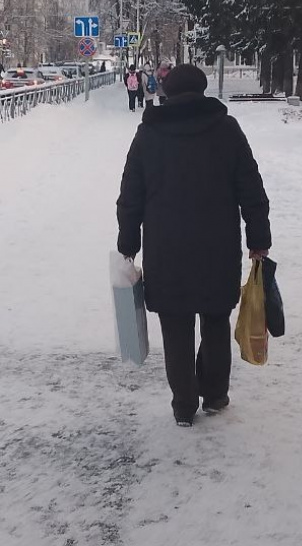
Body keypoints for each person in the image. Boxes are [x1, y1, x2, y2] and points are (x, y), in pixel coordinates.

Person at [116, 64, 272, 428]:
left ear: (167, 91)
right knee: (216, 321)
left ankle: (184, 405)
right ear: (202, 90)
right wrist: (258, 239)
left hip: (166, 249)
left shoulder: (149, 134)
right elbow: (251, 189)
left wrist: (128, 244)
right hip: (216, 247)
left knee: (176, 327)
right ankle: (215, 395)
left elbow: (130, 196)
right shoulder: (226, 130)